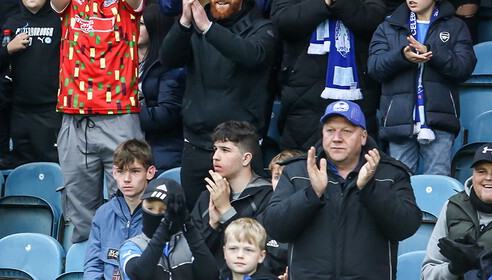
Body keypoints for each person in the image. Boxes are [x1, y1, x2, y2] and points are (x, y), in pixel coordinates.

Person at [45, 0, 145, 242]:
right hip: (74, 121)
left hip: (118, 116)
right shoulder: (72, 1)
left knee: (131, 210)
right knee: (80, 215)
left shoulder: (126, 0)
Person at [159, 0, 277, 205]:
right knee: (195, 224)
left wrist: (208, 28)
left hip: (239, 151)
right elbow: (168, 59)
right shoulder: (197, 25)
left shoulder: (263, 28)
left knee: (237, 225)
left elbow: (250, 55)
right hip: (196, 146)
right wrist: (184, 21)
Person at [262, 100, 422, 280]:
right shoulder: (297, 171)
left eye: (346, 131)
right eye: (330, 130)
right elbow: (276, 228)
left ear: (363, 137)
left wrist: (370, 189)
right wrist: (311, 194)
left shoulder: (390, 172)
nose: (337, 138)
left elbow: (406, 227)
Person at [271, 0, 386, 150]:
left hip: (356, 89)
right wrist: (322, 2)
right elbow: (283, 21)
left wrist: (341, 0)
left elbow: (373, 23)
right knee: (302, 166)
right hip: (302, 89)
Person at [368, 0, 476, 175]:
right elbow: (374, 67)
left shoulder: (454, 26)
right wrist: (402, 57)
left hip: (439, 120)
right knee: (399, 183)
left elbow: (464, 67)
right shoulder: (388, 27)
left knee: (438, 179)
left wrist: (433, 53)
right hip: (399, 121)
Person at [422, 143, 492, 280]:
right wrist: (453, 269)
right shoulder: (453, 205)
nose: (488, 178)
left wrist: (480, 258)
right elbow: (427, 273)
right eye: (481, 171)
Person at [0, 0, 62, 165]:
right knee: (23, 167)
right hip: (20, 110)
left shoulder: (59, 22)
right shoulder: (12, 23)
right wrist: (8, 49)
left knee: (52, 166)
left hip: (52, 109)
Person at [189, 121, 273, 271]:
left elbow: (257, 251)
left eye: (225, 150)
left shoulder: (267, 196)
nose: (215, 156)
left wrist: (225, 209)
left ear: (246, 158)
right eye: (215, 149)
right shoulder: (206, 196)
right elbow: (192, 255)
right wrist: (212, 227)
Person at [118, 178, 220, 280]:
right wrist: (164, 227)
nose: (156, 213)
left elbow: (211, 275)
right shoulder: (132, 246)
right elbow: (138, 274)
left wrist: (189, 226)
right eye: (150, 208)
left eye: (164, 209)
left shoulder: (191, 244)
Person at [84, 139, 157, 280]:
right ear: (114, 173)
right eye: (121, 171)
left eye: (135, 171)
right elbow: (93, 266)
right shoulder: (103, 214)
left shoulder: (161, 213)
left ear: (150, 172)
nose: (127, 179)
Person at [136, 1, 182, 171]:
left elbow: (167, 114)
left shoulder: (168, 66)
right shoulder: (122, 62)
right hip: (131, 148)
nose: (132, 26)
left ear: (156, 27)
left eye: (140, 23)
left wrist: (126, 110)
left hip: (162, 152)